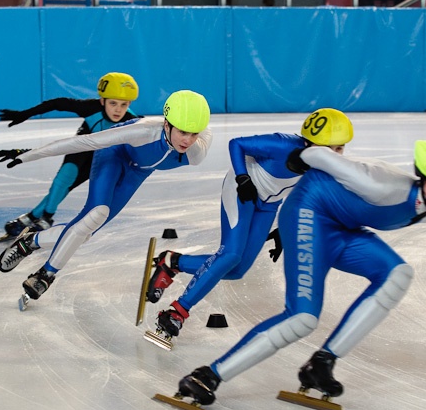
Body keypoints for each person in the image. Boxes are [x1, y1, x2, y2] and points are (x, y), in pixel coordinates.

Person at [171, 140, 426, 408]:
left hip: (340, 229)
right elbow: (319, 155)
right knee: (303, 318)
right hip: (308, 214)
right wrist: (298, 162)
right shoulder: (382, 184)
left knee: (397, 273)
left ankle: (321, 364)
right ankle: (207, 375)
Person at [145, 109, 354, 345]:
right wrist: (243, 178)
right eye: (329, 149)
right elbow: (237, 144)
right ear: (309, 143)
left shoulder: (325, 170)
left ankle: (172, 262)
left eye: (340, 148)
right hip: (242, 193)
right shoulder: (282, 145)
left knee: (237, 270)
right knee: (230, 254)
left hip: (268, 205)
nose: (336, 156)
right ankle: (177, 311)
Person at [0, 90, 213, 309]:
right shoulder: (142, 131)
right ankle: (45, 275)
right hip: (113, 155)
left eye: (194, 134)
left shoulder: (199, 145)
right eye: (183, 132)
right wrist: (26, 154)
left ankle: (30, 242)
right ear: (167, 125)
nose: (188, 140)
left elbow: (198, 148)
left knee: (83, 232)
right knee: (96, 214)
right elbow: (85, 142)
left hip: (138, 172)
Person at [0, 72, 141, 239]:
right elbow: (58, 103)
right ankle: (46, 218)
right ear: (102, 101)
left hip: (100, 158)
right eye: (113, 103)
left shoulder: (132, 121)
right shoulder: (91, 108)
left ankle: (33, 216)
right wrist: (25, 114)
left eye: (124, 105)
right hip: (81, 148)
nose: (118, 109)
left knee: (66, 187)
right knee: (62, 181)